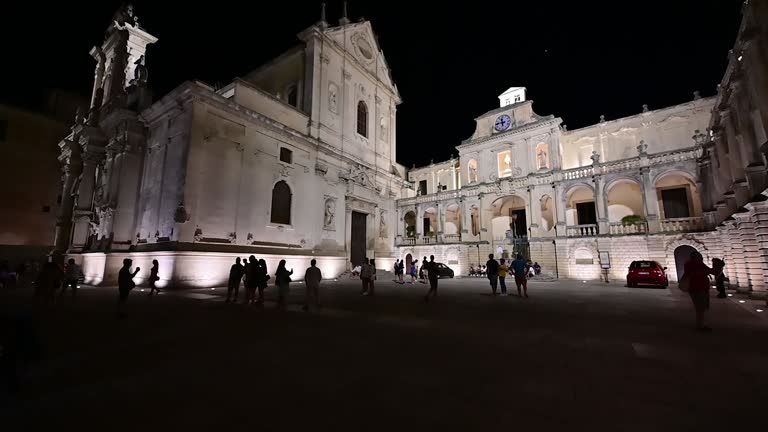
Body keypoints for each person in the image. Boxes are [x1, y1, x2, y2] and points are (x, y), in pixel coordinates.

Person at [682, 251, 715, 331]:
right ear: (696, 257)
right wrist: (706, 272)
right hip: (697, 288)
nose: (701, 258)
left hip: (702, 288)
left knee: (702, 307)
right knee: (700, 307)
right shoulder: (691, 264)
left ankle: (701, 324)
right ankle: (700, 326)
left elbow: (711, 271)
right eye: (700, 256)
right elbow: (695, 273)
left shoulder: (699, 264)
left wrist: (717, 267)